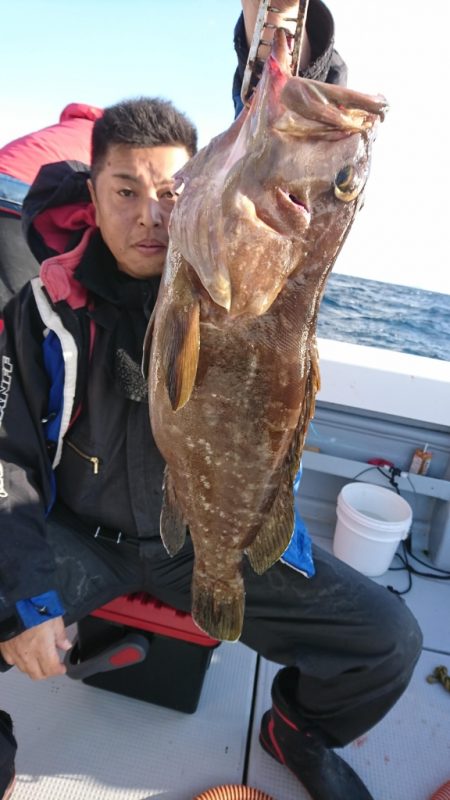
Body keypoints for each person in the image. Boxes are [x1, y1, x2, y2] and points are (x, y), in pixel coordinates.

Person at [0, 3, 422, 800]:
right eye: (124, 190)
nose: (152, 215)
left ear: (201, 186)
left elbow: (285, 162)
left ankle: (298, 726)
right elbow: (6, 458)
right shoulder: (44, 304)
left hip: (205, 534)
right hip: (78, 535)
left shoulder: (228, 266)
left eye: (170, 190)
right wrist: (27, 596)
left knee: (390, 640)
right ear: (91, 190)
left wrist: (286, 39)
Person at [0, 102, 102, 312]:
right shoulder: (106, 138)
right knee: (20, 304)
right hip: (17, 199)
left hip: (9, 185)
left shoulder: (63, 131)